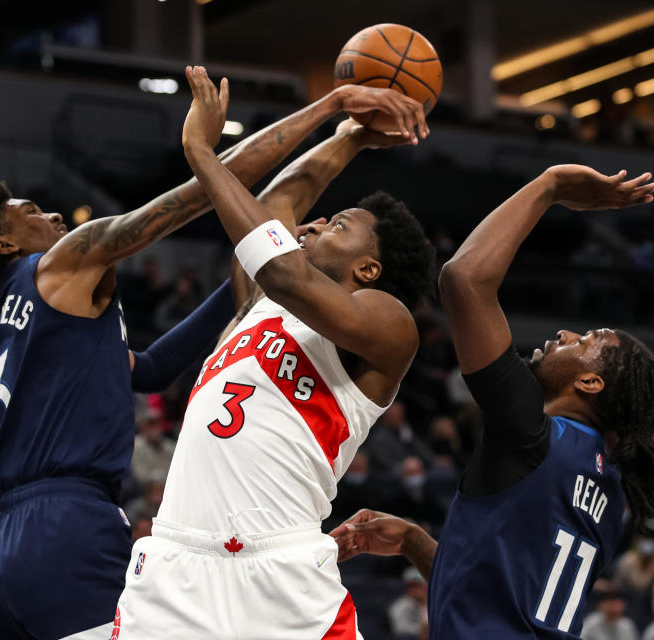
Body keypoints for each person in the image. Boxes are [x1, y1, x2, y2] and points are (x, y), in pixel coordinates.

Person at [0, 78, 425, 640]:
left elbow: (154, 368)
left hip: (10, 542)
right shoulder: (62, 265)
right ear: (3, 244)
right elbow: (210, 201)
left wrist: (346, 138)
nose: (53, 217)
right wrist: (315, 112)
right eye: (32, 212)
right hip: (80, 529)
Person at [112, 66, 433, 639]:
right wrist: (346, 130)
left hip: (281, 577)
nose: (312, 226)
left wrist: (200, 151)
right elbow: (275, 203)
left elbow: (281, 265)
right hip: (174, 567)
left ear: (368, 269)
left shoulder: (387, 322)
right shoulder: (258, 300)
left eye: (337, 226)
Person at [333, 164, 654, 639]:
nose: (565, 334)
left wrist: (551, 185)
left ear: (589, 384)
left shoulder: (534, 437)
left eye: (585, 341)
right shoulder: (610, 491)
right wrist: (416, 543)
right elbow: (500, 600)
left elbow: (463, 279)